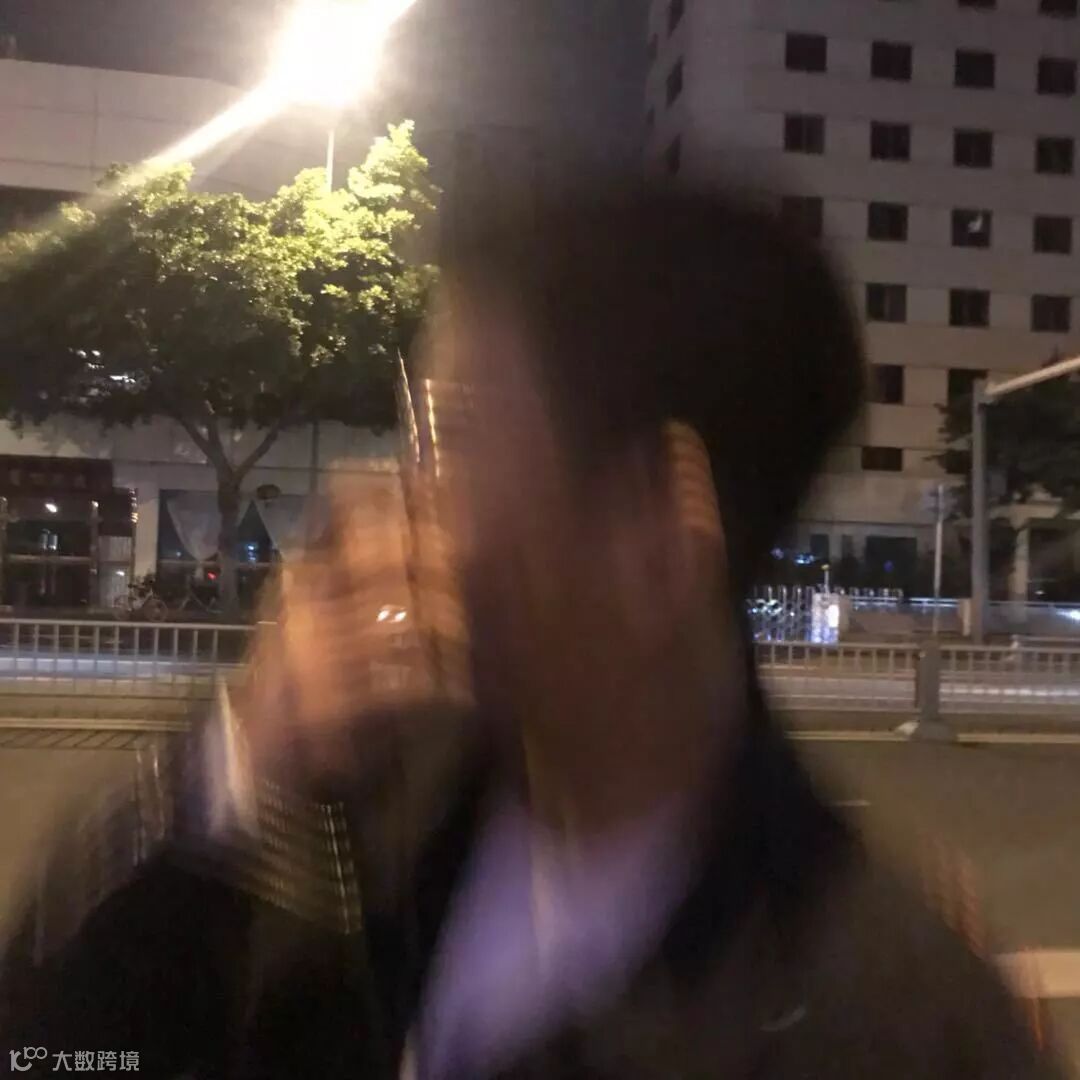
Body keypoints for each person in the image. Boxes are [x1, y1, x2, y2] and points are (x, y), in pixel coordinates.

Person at [0, 188, 1065, 1079]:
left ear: (653, 534)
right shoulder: (345, 806)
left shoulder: (893, 1028)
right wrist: (234, 768)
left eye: (451, 438)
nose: (382, 496)